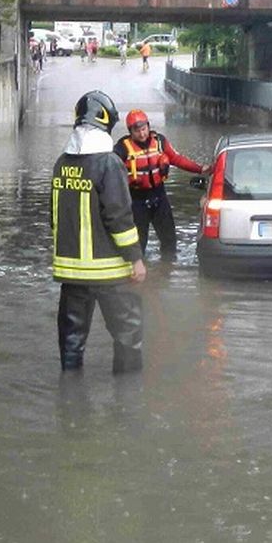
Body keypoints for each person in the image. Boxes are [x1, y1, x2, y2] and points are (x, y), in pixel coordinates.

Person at [51, 90, 146, 373]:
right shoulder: (109, 163)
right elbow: (119, 217)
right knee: (128, 336)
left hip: (71, 274)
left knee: (71, 342)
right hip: (110, 274)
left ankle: (70, 392)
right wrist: (135, 258)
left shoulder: (62, 163)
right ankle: (128, 395)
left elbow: (55, 218)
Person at [113, 109, 211, 260]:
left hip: (159, 196)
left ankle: (167, 268)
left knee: (169, 240)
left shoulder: (160, 142)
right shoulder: (122, 148)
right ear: (130, 132)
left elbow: (177, 159)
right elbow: (111, 170)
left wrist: (200, 169)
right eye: (137, 131)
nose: (142, 134)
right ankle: (140, 268)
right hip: (136, 200)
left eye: (144, 129)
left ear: (148, 126)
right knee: (138, 243)